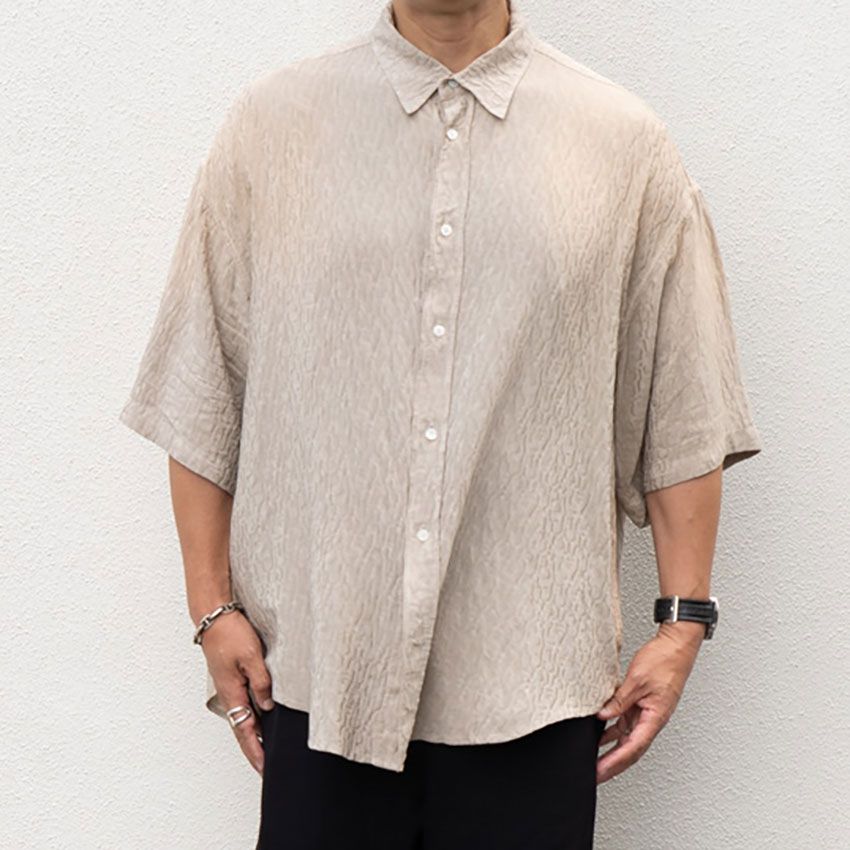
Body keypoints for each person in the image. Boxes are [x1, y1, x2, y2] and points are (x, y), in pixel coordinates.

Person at [118, 0, 763, 847]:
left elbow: (680, 403)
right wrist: (211, 609)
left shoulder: (619, 142)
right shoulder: (274, 127)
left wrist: (682, 626)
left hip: (533, 693)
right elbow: (204, 381)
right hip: (318, 678)